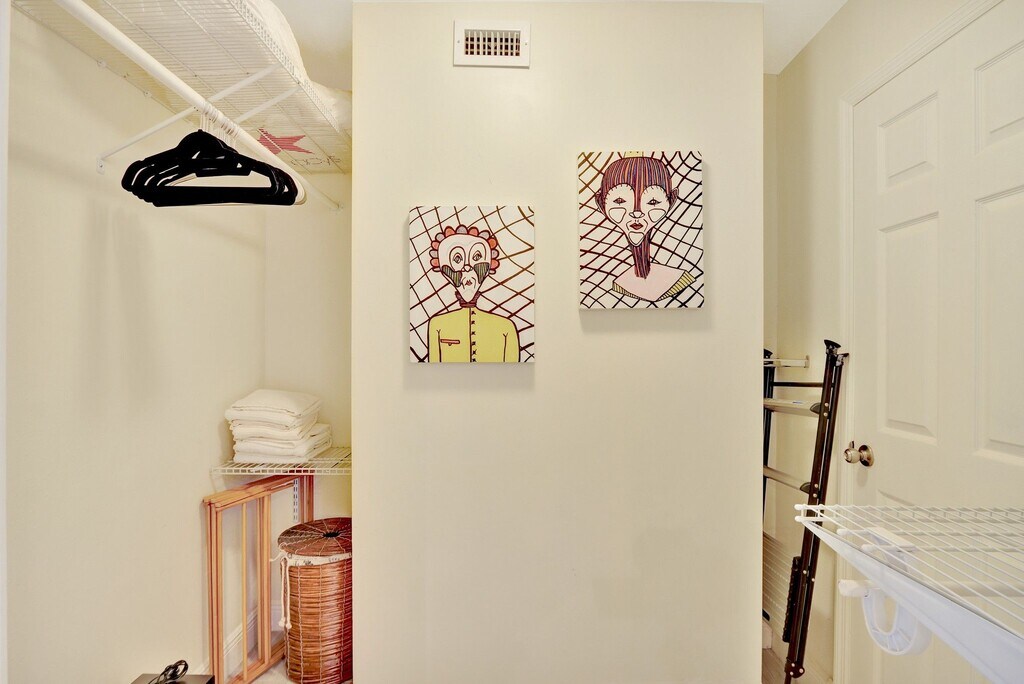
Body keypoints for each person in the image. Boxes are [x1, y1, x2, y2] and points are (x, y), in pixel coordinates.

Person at [595, 153, 695, 301]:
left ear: (671, 200)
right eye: (620, 201)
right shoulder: (617, 283)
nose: (637, 212)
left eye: (653, 202)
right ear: (600, 203)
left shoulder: (678, 279)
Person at [427, 225, 520, 362]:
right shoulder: (437, 325)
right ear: (442, 269)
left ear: (489, 267)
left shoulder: (506, 328)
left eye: (477, 256)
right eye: (457, 259)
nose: (467, 267)